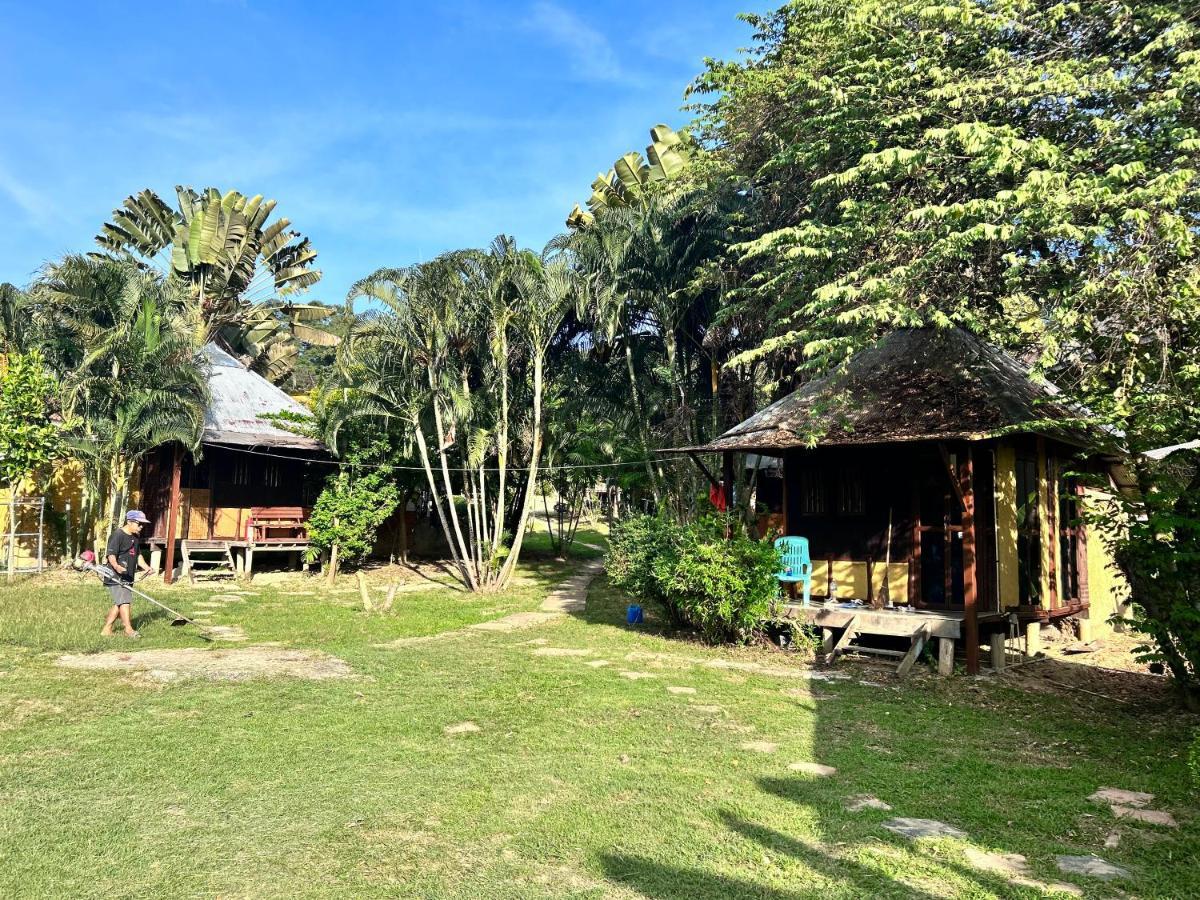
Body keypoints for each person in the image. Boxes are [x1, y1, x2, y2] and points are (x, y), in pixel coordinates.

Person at [100, 510, 153, 638]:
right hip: (115, 574)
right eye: (139, 523)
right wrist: (117, 566)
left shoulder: (135, 536)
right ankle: (128, 629)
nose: (141, 526)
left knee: (120, 603)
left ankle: (106, 629)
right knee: (125, 602)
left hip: (128, 575)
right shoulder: (117, 535)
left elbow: (137, 554)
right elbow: (111, 555)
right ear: (129, 522)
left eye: (143, 524)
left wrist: (146, 567)